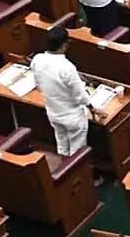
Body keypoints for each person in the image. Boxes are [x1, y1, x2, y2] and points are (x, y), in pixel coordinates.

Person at [31, 24, 95, 157]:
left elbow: (38, 84)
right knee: (77, 154)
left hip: (53, 113)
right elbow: (80, 96)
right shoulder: (67, 67)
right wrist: (92, 107)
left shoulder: (37, 59)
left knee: (61, 143)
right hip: (73, 117)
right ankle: (72, 169)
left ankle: (62, 164)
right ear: (64, 45)